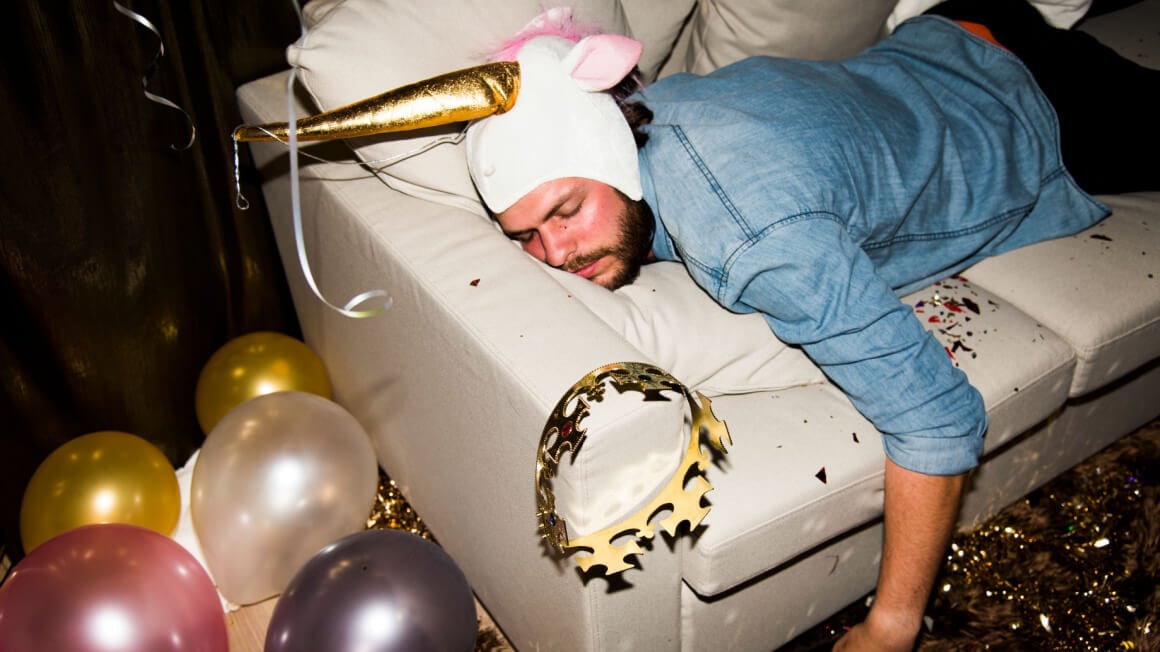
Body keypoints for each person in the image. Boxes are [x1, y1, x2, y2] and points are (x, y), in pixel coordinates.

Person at [461, 1, 1160, 650]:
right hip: (951, 26)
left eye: (565, 211)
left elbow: (938, 420)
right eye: (524, 235)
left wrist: (890, 627)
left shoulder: (748, 236)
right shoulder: (651, 105)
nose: (556, 255)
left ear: (608, 153)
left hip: (1037, 104)